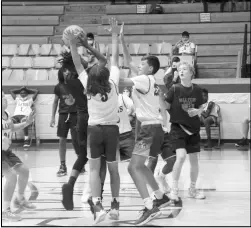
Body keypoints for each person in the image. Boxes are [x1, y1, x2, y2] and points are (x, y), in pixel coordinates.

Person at [67, 17, 121, 224]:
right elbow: (108, 60)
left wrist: (74, 44)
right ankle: (115, 205)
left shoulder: (88, 87)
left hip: (94, 132)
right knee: (114, 169)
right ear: (107, 76)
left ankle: (98, 206)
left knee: (93, 170)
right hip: (112, 131)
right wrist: (107, 38)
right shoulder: (114, 84)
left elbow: (77, 62)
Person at [119, 22, 171, 226]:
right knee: (143, 167)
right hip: (153, 128)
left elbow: (121, 82)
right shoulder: (150, 80)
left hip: (148, 129)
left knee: (133, 168)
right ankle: (160, 196)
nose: (138, 66)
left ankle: (150, 207)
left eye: (142, 64)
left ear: (149, 67)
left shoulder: (144, 79)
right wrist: (121, 39)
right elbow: (128, 60)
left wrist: (105, 73)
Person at [160, 61, 206, 202]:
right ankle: (174, 189)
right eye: (179, 69)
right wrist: (160, 97)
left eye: (185, 69)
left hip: (193, 129)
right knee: (180, 157)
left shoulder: (197, 90)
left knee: (194, 161)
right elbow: (166, 105)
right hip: (178, 128)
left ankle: (192, 189)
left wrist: (197, 111)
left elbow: (202, 106)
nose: (181, 71)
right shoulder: (175, 88)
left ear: (191, 73)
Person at [2, 91, 36, 222]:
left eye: (4, 97)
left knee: (24, 170)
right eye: (2, 97)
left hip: (6, 151)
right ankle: (5, 211)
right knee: (11, 176)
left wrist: (26, 123)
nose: (5, 99)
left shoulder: (7, 114)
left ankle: (20, 198)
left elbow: (12, 128)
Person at [50, 64, 80, 177]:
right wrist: (52, 117)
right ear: (61, 73)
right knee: (62, 140)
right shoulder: (58, 87)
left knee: (76, 140)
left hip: (75, 115)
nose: (67, 72)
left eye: (68, 71)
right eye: (65, 71)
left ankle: (79, 163)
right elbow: (55, 102)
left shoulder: (77, 84)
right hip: (63, 115)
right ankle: (62, 166)